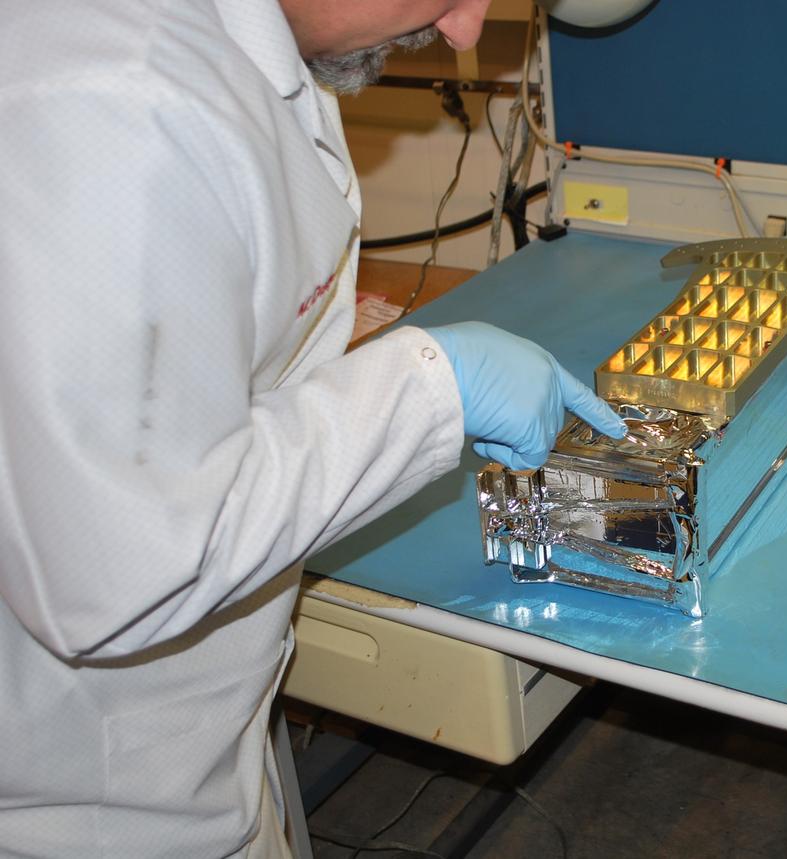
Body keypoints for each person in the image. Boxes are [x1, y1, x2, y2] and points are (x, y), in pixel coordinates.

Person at [0, 0, 625, 855]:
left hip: (199, 733)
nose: (465, 32)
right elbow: (125, 570)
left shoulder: (263, 46)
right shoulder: (113, 101)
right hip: (80, 802)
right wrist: (431, 391)